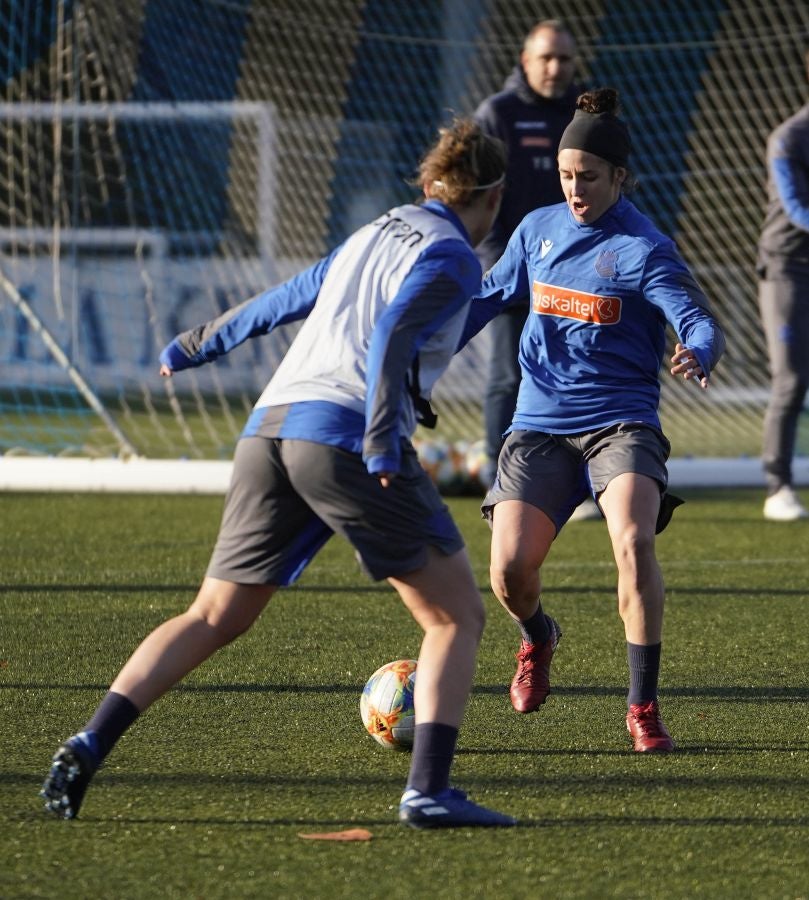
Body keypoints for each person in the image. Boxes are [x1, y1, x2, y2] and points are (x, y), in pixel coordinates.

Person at [40, 118, 516, 829]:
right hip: (345, 436)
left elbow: (290, 295)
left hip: (268, 429)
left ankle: (89, 741)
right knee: (455, 616)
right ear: (494, 196)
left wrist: (198, 342)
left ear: (426, 185)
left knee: (212, 614)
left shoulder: (373, 234)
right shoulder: (452, 256)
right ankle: (427, 792)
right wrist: (383, 444)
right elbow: (389, 337)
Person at [458, 88, 726, 751]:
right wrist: (419, 343)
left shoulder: (642, 247)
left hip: (621, 424)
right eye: (566, 176)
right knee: (508, 575)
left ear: (620, 178)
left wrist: (697, 347)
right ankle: (538, 637)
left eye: (589, 178)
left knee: (632, 542)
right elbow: (488, 297)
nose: (575, 189)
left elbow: (694, 317)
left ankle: (641, 707)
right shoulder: (535, 229)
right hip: (539, 426)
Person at [473, 20, 597, 523]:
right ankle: (499, 476)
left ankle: (582, 480)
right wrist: (503, 265)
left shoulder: (586, 115)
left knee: (580, 372)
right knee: (508, 375)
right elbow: (481, 198)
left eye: (564, 59)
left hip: (577, 273)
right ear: (525, 61)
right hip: (514, 268)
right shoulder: (498, 113)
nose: (555, 68)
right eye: (546, 58)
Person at [757, 51, 809, 522]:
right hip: (788, 268)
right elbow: (794, 207)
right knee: (791, 380)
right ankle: (778, 485)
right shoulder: (789, 138)